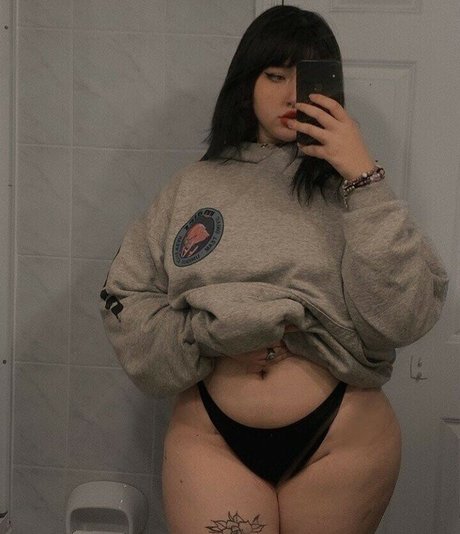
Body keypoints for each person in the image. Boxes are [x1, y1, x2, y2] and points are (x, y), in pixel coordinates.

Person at [99, 5, 449, 533]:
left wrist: (362, 174)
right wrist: (207, 336)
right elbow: (126, 296)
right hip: (212, 440)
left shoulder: (356, 190)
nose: (291, 96)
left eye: (306, 78)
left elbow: (404, 317)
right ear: (248, 83)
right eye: (275, 75)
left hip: (341, 440)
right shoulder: (192, 187)